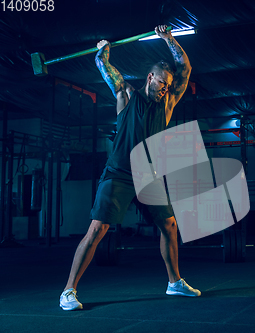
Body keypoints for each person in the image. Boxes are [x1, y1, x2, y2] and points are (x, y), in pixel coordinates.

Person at [59, 25, 200, 311]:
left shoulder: (168, 104)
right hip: (120, 174)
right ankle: (68, 291)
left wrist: (168, 39)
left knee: (170, 225)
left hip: (150, 177)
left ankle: (174, 282)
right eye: (162, 83)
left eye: (168, 86)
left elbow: (185, 68)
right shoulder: (126, 95)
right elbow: (102, 64)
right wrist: (104, 50)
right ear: (150, 78)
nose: (165, 89)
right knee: (98, 229)